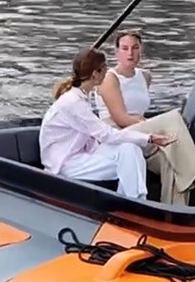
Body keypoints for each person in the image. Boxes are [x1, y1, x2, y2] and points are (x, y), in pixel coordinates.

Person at [94, 30, 195, 203]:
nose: (130, 53)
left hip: (141, 133)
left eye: (135, 48)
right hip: (118, 136)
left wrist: (148, 125)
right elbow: (121, 119)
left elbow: (138, 113)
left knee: (173, 161)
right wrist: (150, 124)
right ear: (116, 51)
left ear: (141, 49)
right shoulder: (109, 78)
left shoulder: (145, 76)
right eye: (125, 48)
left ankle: (174, 211)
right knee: (172, 118)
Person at [41, 49, 173, 200]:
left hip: (83, 153)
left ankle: (130, 200)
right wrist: (149, 138)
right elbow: (107, 135)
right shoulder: (73, 103)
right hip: (65, 165)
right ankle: (135, 202)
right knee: (128, 161)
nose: (107, 70)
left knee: (130, 149)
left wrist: (143, 138)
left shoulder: (80, 96)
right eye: (104, 67)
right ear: (95, 74)